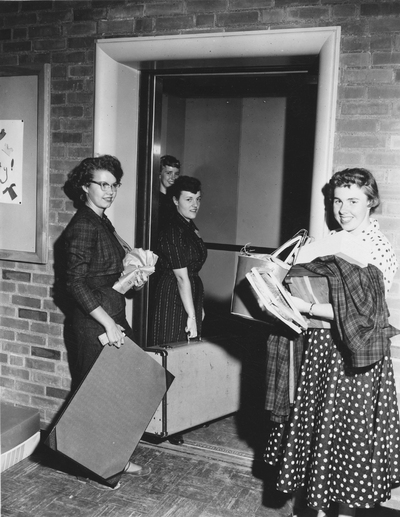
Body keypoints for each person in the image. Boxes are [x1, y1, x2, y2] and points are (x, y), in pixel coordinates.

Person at [264, 168, 400, 517]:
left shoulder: (377, 248)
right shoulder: (332, 239)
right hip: (323, 349)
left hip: (355, 359)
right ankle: (317, 511)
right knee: (319, 439)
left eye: (353, 200)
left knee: (346, 444)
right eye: (338, 200)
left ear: (371, 202)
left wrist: (305, 306)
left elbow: (366, 315)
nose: (343, 209)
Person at [63, 155, 150, 477]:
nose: (110, 191)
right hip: (93, 324)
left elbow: (107, 274)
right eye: (103, 184)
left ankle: (111, 458)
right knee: (95, 396)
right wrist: (109, 322)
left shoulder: (102, 221)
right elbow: (74, 282)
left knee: (117, 392)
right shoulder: (84, 225)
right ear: (85, 187)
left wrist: (133, 279)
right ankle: (92, 463)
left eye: (114, 185)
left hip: (109, 314)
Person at [149, 175, 207, 445]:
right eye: (188, 199)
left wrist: (198, 307)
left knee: (184, 359)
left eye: (197, 199)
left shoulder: (188, 225)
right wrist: (191, 315)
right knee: (172, 359)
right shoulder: (172, 229)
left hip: (188, 293)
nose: (194, 204)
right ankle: (165, 424)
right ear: (175, 201)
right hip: (173, 296)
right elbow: (182, 277)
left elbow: (191, 276)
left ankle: (177, 420)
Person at [158, 155, 181, 230]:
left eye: (176, 174)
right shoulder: (155, 199)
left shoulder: (176, 198)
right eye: (168, 173)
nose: (173, 178)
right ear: (159, 174)